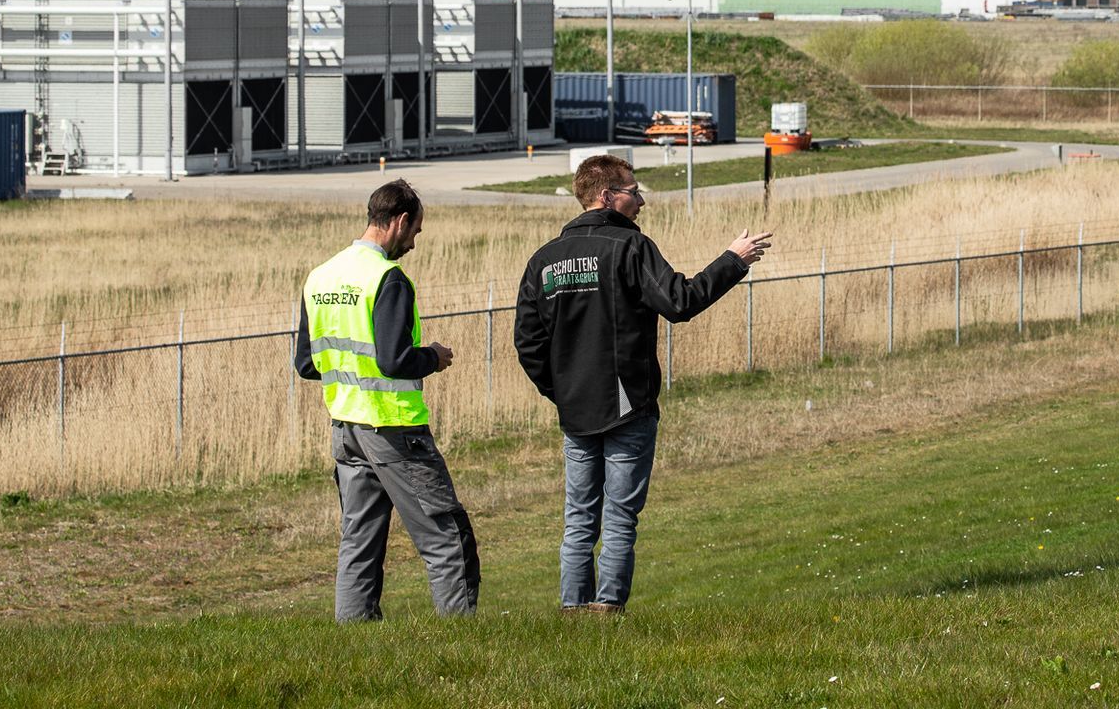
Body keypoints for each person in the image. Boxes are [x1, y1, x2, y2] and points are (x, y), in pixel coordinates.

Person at [514, 154, 772, 614]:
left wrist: (562, 390)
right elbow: (680, 301)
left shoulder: (543, 261)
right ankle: (607, 608)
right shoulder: (630, 249)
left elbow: (528, 344)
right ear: (607, 196)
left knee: (578, 518)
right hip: (627, 407)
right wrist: (733, 260)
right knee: (618, 516)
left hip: (576, 411)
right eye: (635, 192)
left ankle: (573, 610)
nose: (642, 201)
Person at [295, 178, 480, 622]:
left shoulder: (320, 277)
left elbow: (306, 363)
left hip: (346, 430)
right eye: (416, 231)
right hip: (395, 430)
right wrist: (433, 357)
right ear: (399, 221)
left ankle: (355, 643)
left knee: (359, 540)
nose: (414, 243)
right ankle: (462, 644)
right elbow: (395, 360)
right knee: (446, 537)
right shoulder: (387, 278)